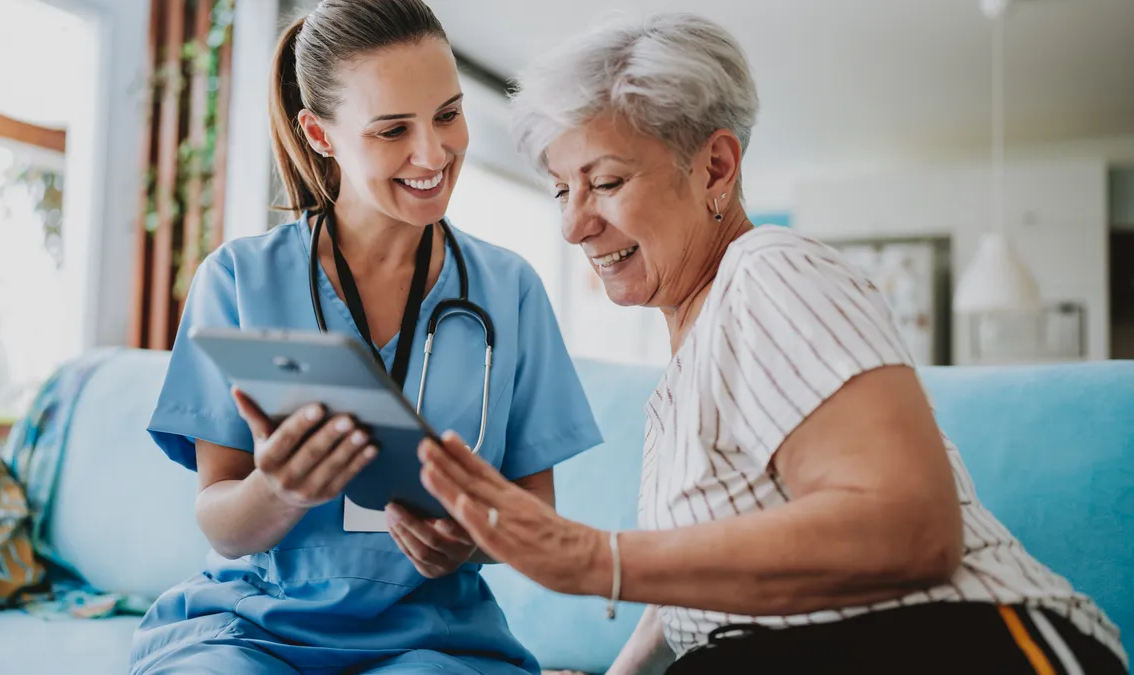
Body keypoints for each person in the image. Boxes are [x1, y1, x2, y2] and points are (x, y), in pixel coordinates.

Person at [414, 12, 1129, 675]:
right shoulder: (690, 363)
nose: (574, 225)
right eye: (560, 189)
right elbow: (708, 585)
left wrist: (598, 557)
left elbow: (911, 525)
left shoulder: (769, 271)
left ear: (716, 168)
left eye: (605, 181)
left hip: (969, 640)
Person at [129, 1, 602, 673]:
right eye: (391, 130)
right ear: (320, 134)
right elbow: (221, 520)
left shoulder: (510, 290)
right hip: (251, 627)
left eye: (447, 114)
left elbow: (534, 515)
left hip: (434, 638)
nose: (433, 153)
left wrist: (468, 540)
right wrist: (280, 491)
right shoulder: (238, 279)